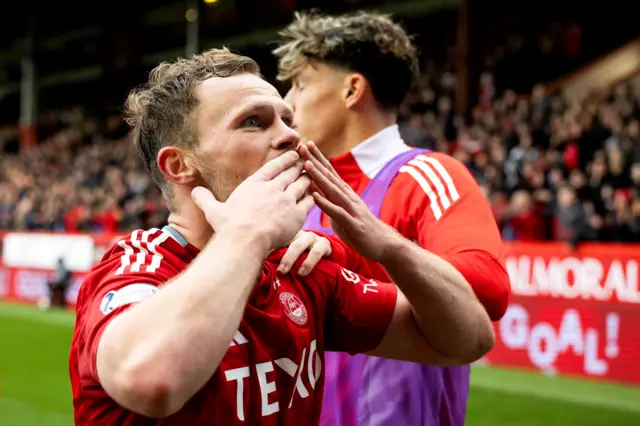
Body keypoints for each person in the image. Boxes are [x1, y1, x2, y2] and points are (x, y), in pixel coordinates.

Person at [68, 48, 495, 426]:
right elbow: (152, 381)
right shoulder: (134, 269)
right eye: (254, 122)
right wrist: (247, 235)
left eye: (287, 119)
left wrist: (387, 247)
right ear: (179, 166)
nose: (291, 136)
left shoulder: (301, 271)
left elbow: (467, 339)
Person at [273, 11, 511, 426]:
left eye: (300, 84)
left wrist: (354, 257)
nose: (287, 102)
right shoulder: (295, 191)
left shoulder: (426, 175)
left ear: (352, 90)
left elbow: (488, 288)